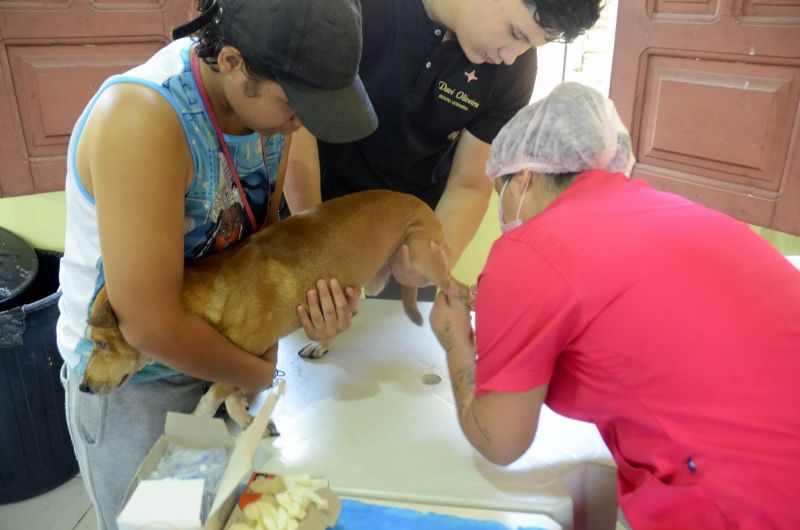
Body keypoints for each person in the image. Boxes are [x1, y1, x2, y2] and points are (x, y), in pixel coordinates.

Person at [56, 0, 377, 527]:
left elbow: (264, 245)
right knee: (160, 522)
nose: (301, 123)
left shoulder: (266, 108)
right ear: (231, 62)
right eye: (296, 104)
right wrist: (261, 370)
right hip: (139, 377)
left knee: (217, 513)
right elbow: (149, 324)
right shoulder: (141, 121)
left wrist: (310, 304)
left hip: (225, 353)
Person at [430, 82, 800, 529]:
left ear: (523, 177)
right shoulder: (677, 211)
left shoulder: (531, 248)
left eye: (500, 191)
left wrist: (455, 340)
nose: (503, 210)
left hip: (746, 505)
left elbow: (500, 442)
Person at [282, 0, 603, 294]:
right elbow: (296, 128)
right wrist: (316, 243)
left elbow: (471, 181)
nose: (511, 56)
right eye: (516, 33)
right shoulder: (359, 9)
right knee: (296, 341)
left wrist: (437, 258)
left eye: (532, 44)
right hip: (312, 208)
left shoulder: (514, 71)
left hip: (411, 229)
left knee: (390, 346)